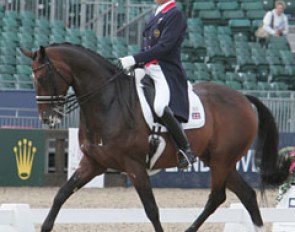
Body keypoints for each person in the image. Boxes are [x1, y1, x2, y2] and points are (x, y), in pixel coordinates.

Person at [119, 0, 195, 169]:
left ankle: (186, 150)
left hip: (164, 70)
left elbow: (165, 47)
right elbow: (146, 46)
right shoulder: (156, 14)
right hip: (147, 68)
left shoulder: (174, 14)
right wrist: (136, 63)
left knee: (160, 107)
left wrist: (134, 58)